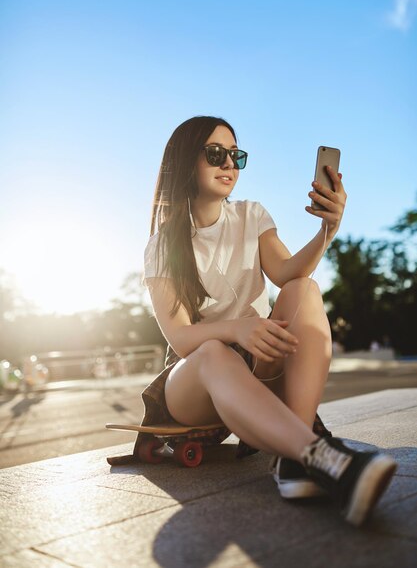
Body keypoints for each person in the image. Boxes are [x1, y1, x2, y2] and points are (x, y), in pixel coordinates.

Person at [141, 115, 397, 527]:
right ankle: (316, 455)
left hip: (256, 366)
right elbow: (182, 337)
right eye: (215, 154)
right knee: (211, 352)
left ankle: (293, 462)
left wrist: (327, 231)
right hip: (194, 383)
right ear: (187, 161)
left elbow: (289, 274)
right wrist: (235, 328)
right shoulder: (163, 244)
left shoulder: (251, 215)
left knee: (304, 290)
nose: (228, 164)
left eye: (236, 156)